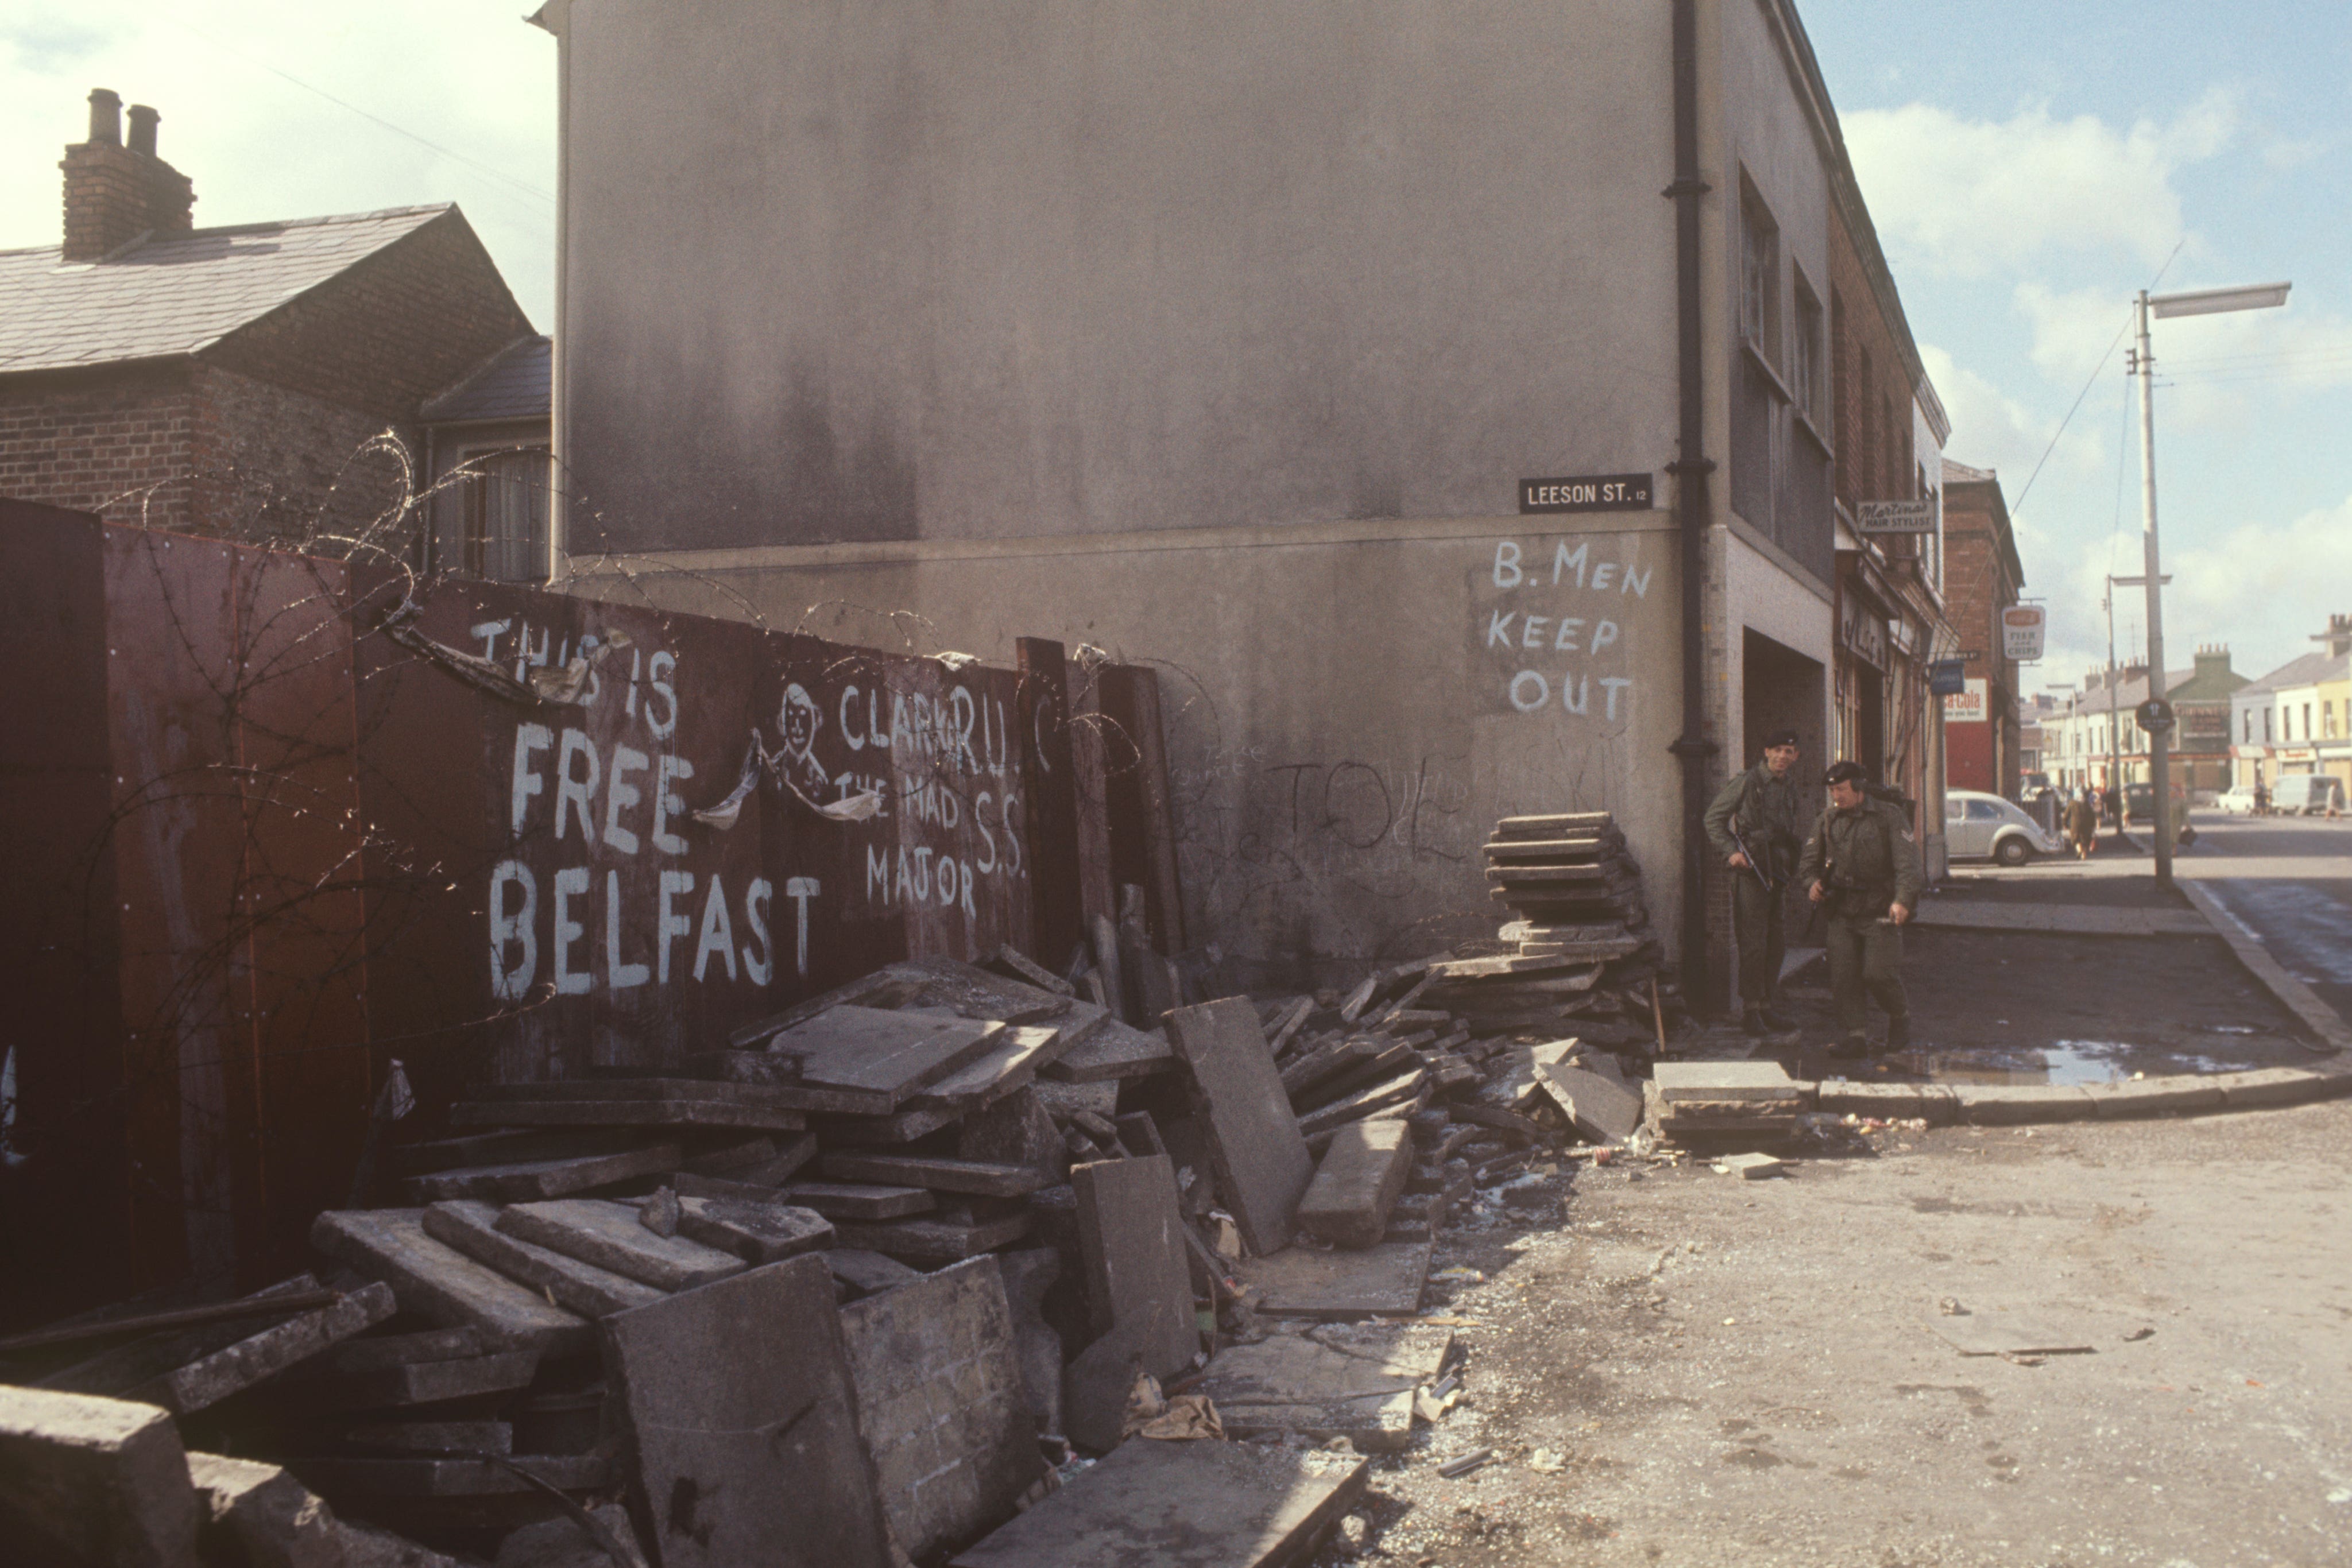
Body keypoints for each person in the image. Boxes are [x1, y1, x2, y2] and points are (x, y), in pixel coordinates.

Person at [1798, 760, 1924, 1058]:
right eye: (1832, 790)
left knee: (1878, 974)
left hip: (1879, 907)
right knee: (1844, 976)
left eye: (1841, 789)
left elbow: (1909, 865)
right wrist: (1812, 883)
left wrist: (1903, 900)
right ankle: (1856, 1036)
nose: (1836, 796)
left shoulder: (1889, 817)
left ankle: (1900, 1016)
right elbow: (1808, 863)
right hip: (1841, 909)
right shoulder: (1827, 819)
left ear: (1858, 789)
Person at [1703, 728, 1805, 1036]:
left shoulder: (1789, 787)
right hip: (1752, 870)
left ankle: (1766, 1006)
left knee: (1776, 943)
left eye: (1789, 752)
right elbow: (1713, 819)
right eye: (1778, 751)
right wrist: (1731, 853)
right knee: (1753, 943)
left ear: (1796, 757)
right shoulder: (1748, 782)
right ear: (1766, 752)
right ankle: (1751, 1011)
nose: (1783, 757)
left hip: (1779, 870)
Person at [2064, 787, 2099, 861]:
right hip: (2086, 825)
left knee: (2076, 840)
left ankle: (2080, 851)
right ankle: (2084, 854)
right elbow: (2092, 815)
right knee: (2085, 840)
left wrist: (2065, 824)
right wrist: (2093, 825)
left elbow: (2066, 814)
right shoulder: (2086, 803)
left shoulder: (2072, 803)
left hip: (2075, 825)